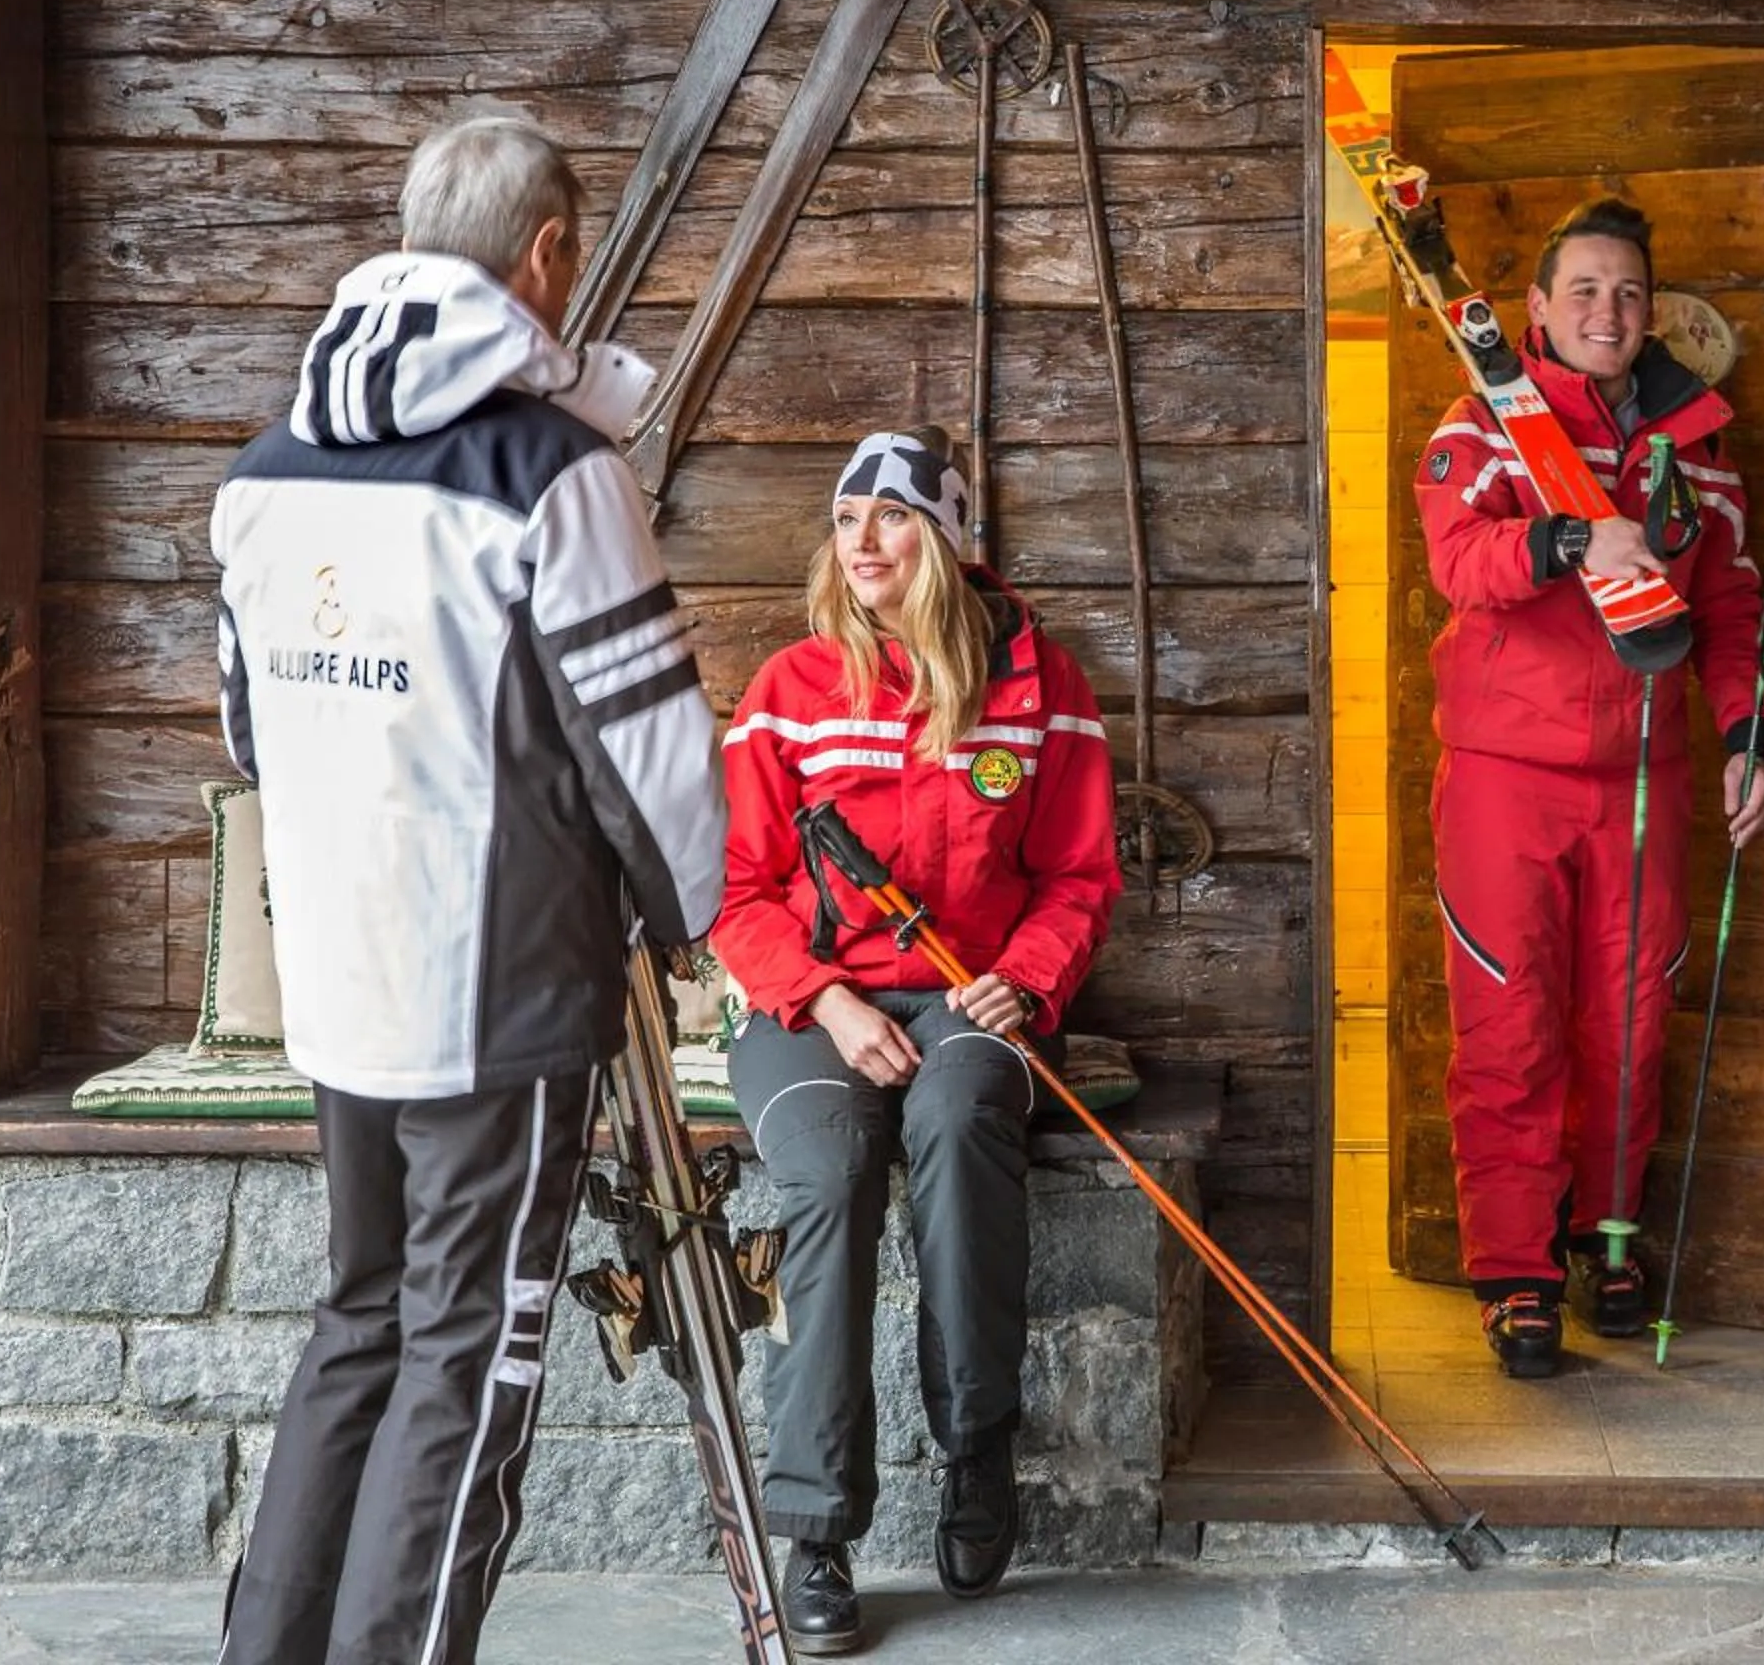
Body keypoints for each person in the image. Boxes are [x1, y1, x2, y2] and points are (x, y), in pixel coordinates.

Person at [211, 117, 725, 1665]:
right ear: (547, 257)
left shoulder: (266, 477)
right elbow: (649, 753)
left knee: (362, 1317)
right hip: (498, 992)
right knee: (467, 1359)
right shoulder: (551, 474)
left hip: (342, 980)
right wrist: (694, 928)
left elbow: (247, 731)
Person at [712, 426, 1120, 1655]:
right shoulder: (791, 690)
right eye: (847, 521)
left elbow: (1078, 875)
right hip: (812, 1003)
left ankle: (977, 1449)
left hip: (969, 994)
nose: (864, 543)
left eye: (890, 518)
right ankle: (816, 1526)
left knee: (959, 1112)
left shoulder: (1037, 684)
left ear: (944, 538)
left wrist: (1026, 979)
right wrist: (825, 1000)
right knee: (828, 1170)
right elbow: (735, 892)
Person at [1414, 197, 1764, 1379]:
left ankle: (1606, 1234)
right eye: (1583, 291)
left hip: (1643, 776)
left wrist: (1749, 736)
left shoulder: (1699, 446)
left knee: (1628, 1022)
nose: (1607, 312)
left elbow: (1729, 611)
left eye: (1628, 292)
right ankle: (1516, 1271)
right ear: (1536, 310)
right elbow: (1455, 559)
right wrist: (1569, 541)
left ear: (1653, 308)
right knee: (1509, 1024)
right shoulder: (1483, 428)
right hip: (1503, 779)